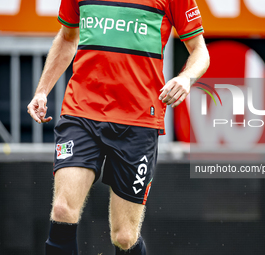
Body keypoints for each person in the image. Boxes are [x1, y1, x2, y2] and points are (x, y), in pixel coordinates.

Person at [27, 0, 209, 254]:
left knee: (124, 238)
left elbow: (200, 51)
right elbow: (68, 38)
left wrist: (185, 78)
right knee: (62, 210)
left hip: (138, 122)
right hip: (82, 112)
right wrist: (42, 91)